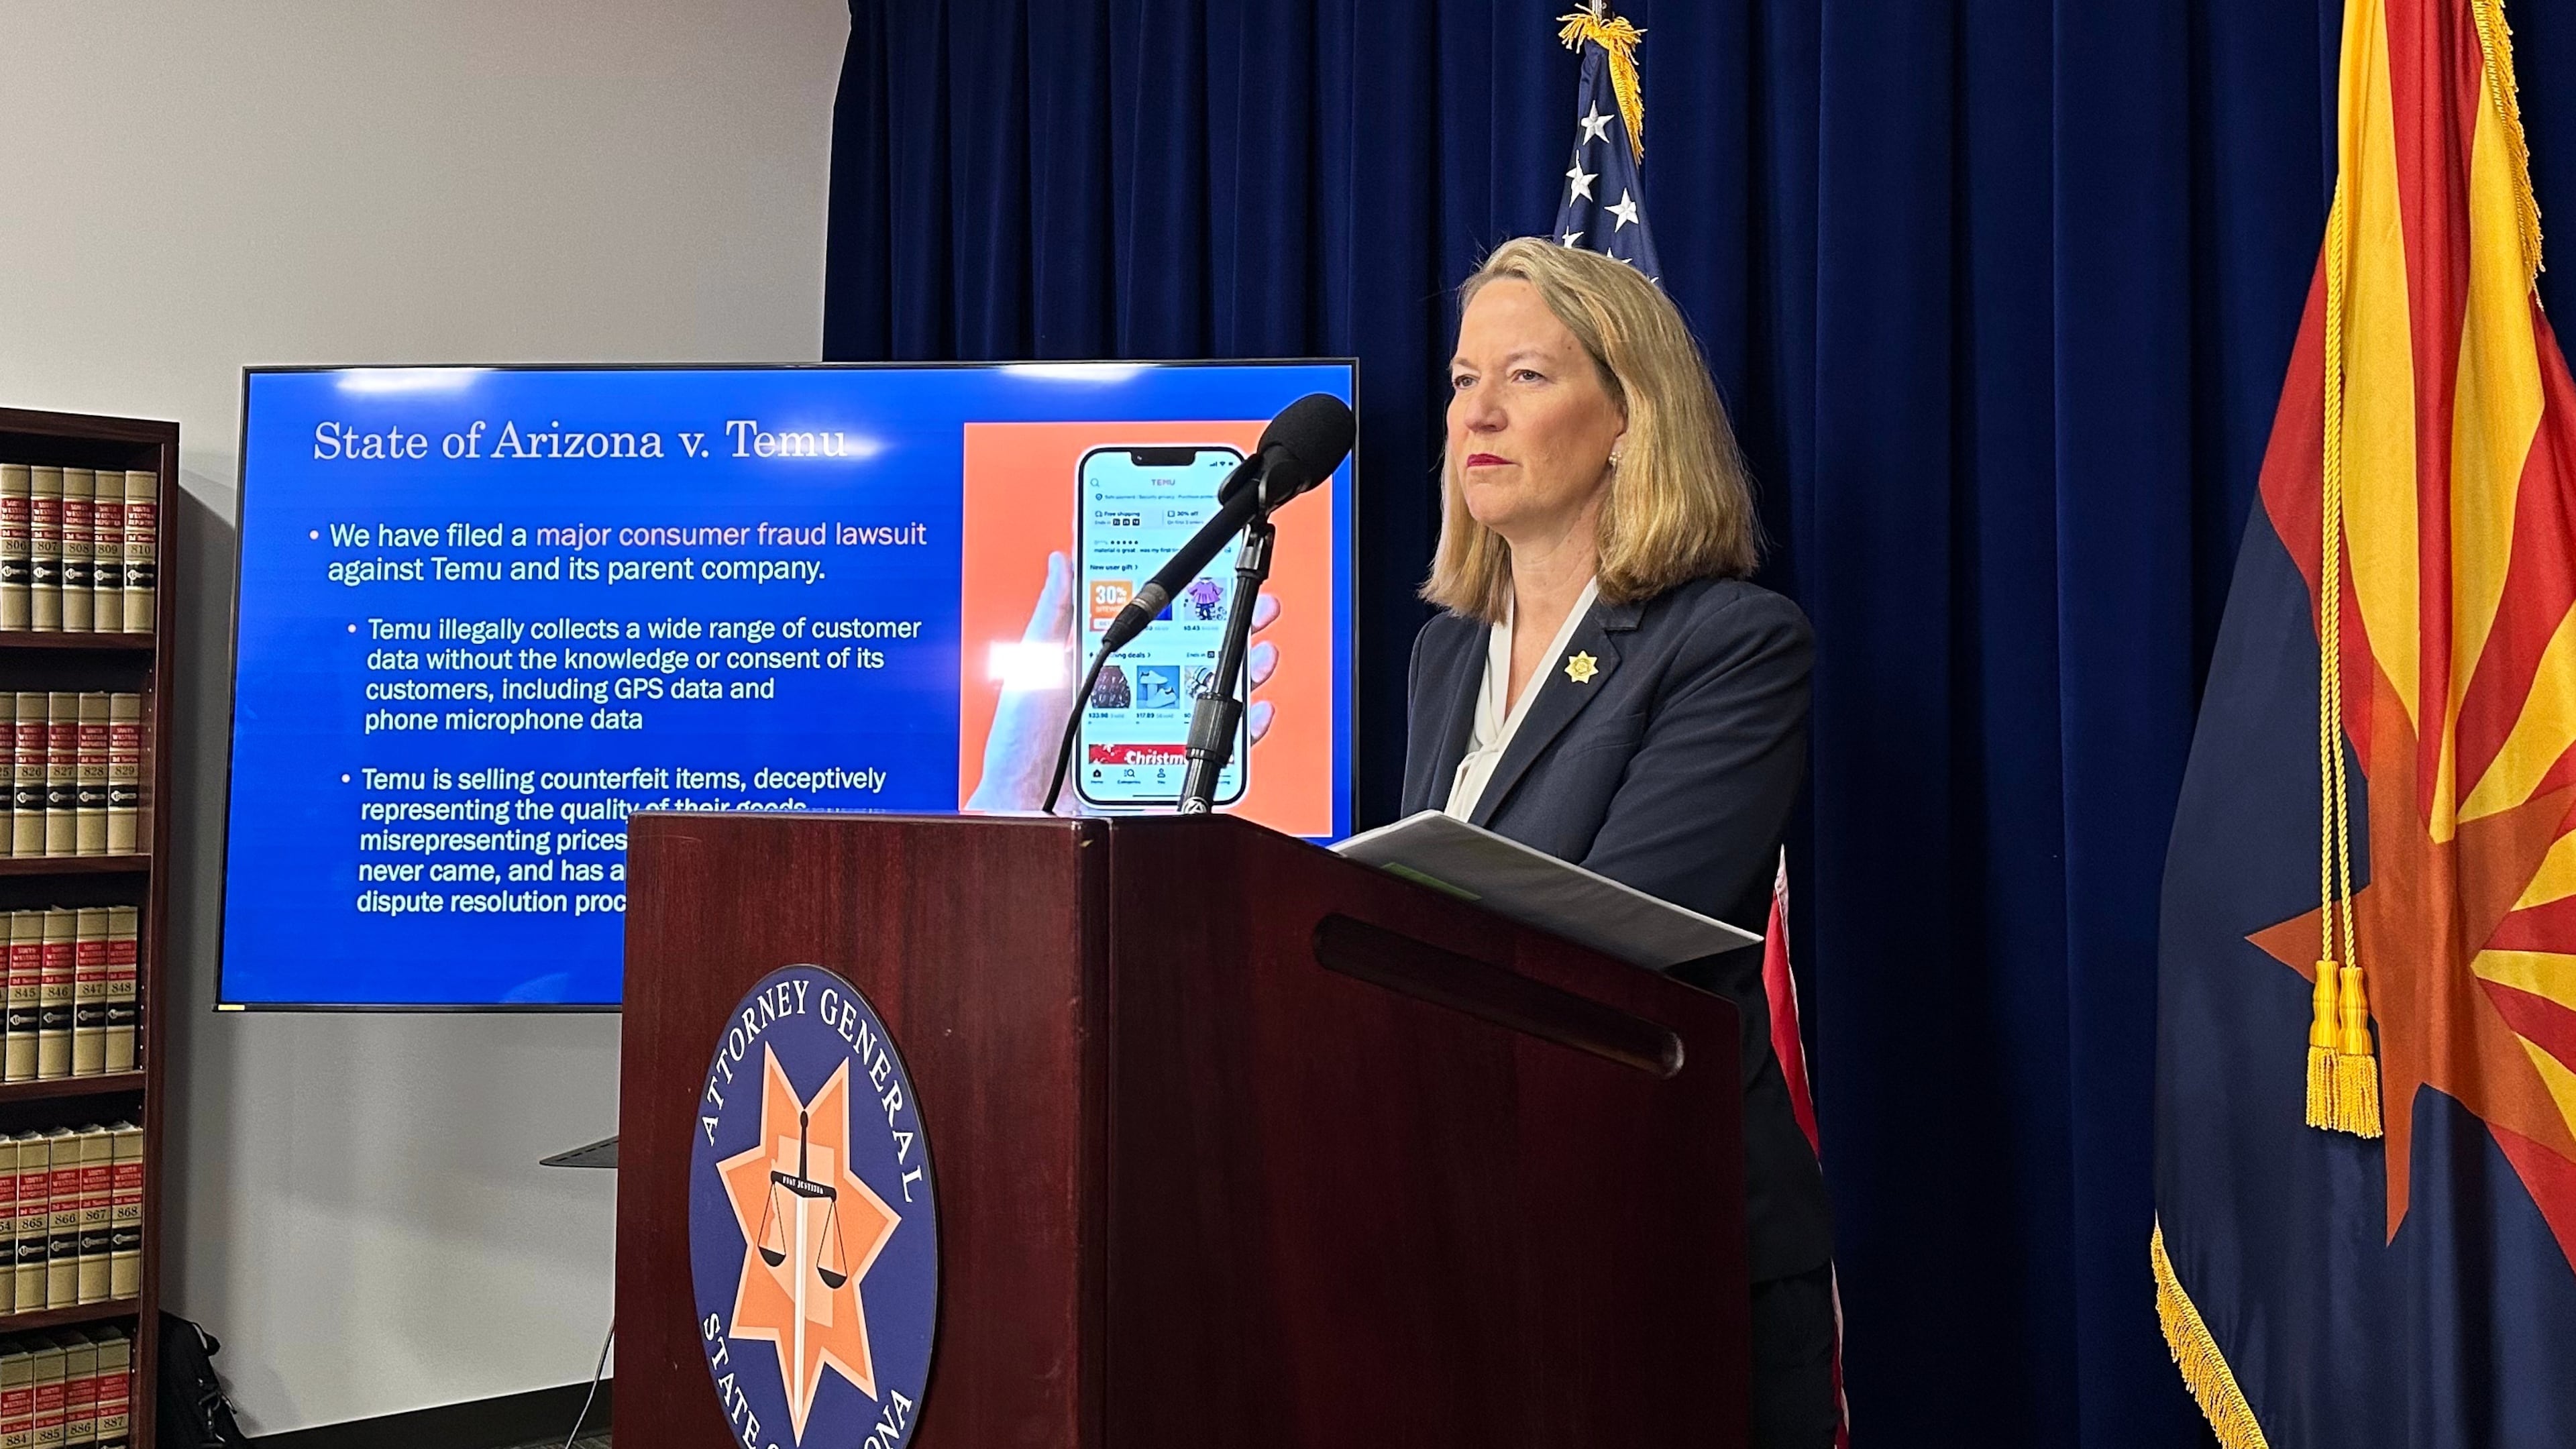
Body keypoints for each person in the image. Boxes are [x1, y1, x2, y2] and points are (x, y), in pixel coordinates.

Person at [1404, 237, 1835, 1446]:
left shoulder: (1732, 644)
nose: (1477, 413)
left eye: (1526, 377)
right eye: (1463, 379)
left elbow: (1625, 932)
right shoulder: (1446, 654)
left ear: (1631, 419)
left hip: (1666, 1226)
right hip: (1476, 1224)